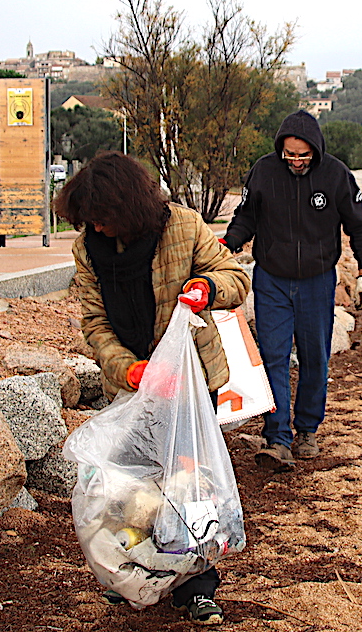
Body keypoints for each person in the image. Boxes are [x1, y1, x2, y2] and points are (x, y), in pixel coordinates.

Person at [54, 153, 249, 626]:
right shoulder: (88, 250)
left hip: (189, 381)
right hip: (134, 385)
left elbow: (236, 277)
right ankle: (139, 570)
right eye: (89, 222)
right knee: (128, 486)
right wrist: (129, 369)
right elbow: (95, 323)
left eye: (101, 219)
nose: (96, 230)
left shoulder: (181, 226)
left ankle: (197, 585)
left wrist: (205, 287)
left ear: (127, 207)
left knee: (191, 482)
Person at [222, 110, 362, 472]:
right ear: (281, 150)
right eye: (289, 155)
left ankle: (307, 429)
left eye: (303, 155)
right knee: (272, 357)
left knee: (314, 359)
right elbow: (246, 217)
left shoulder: (336, 175)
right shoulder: (263, 171)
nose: (296, 162)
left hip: (317, 280)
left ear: (316, 151)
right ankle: (277, 438)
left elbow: (361, 227)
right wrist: (226, 246)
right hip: (271, 278)